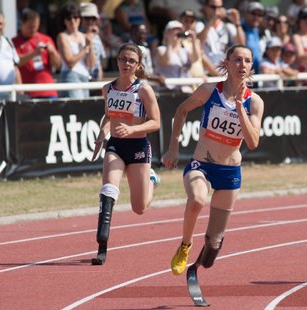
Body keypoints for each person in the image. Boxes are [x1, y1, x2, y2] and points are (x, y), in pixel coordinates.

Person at [161, 45, 264, 275]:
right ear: (226, 63)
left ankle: (203, 257)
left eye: (247, 61)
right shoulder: (209, 90)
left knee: (213, 246)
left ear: (251, 67)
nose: (242, 65)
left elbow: (253, 142)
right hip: (202, 165)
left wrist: (239, 109)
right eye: (237, 60)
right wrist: (173, 147)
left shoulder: (254, 102)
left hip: (229, 172)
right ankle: (185, 245)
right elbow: (181, 110)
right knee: (197, 199)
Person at [90, 43, 161, 265]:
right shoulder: (107, 89)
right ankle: (102, 245)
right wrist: (102, 135)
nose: (126, 64)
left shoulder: (143, 90)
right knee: (108, 189)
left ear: (138, 65)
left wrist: (132, 129)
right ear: (117, 60)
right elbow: (109, 117)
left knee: (139, 208)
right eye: (122, 59)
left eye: (131, 60)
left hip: (138, 147)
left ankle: (151, 179)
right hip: (116, 146)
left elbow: (156, 122)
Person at [12, 9, 60, 99]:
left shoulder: (46, 39)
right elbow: (16, 62)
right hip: (29, 93)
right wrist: (33, 54)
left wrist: (53, 52)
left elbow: (58, 66)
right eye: (30, 27)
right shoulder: (14, 42)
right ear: (22, 24)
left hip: (49, 90)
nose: (33, 30)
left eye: (35, 26)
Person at [56, 2, 95, 99]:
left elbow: (91, 65)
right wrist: (85, 48)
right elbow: (69, 62)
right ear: (64, 21)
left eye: (76, 17)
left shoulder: (85, 36)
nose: (73, 21)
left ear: (80, 19)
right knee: (76, 110)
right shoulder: (63, 36)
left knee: (84, 112)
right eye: (69, 18)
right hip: (70, 77)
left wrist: (90, 46)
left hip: (85, 77)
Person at [153, 20, 200, 93]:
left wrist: (194, 41)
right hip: (167, 91)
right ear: (166, 33)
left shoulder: (185, 51)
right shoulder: (161, 50)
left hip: (185, 90)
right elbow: (166, 62)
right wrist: (169, 41)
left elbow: (195, 59)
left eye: (179, 30)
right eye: (173, 30)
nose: (177, 32)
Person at [0, 11, 22, 101]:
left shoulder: (8, 41)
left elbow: (15, 68)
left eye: (0, 24)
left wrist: (20, 91)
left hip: (9, 95)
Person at [80, 2, 106, 82]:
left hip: (95, 78)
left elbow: (100, 62)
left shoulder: (97, 36)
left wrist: (99, 80)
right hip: (82, 78)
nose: (90, 21)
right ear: (81, 19)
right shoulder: (76, 36)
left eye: (93, 18)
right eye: (87, 18)